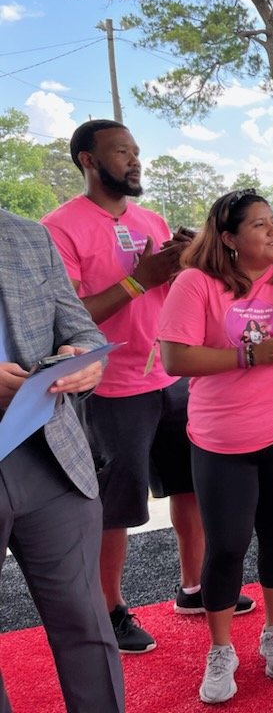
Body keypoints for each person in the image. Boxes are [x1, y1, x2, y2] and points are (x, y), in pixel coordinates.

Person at [42, 120, 253, 655]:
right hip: (110, 388)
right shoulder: (59, 228)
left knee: (191, 487)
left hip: (171, 376)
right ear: (88, 160)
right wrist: (140, 278)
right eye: (121, 152)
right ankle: (109, 609)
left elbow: (170, 293)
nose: (135, 161)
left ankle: (195, 588)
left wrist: (184, 262)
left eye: (136, 152)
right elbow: (66, 318)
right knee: (115, 507)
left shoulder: (150, 219)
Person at [159, 189, 273, 703]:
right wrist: (251, 355)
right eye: (259, 225)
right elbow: (176, 359)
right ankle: (221, 651)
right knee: (227, 545)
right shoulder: (196, 283)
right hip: (221, 439)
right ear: (229, 238)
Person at [0, 207, 124, 711]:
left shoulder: (27, 236)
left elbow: (84, 329)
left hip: (49, 457)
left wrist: (85, 363)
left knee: (87, 627)